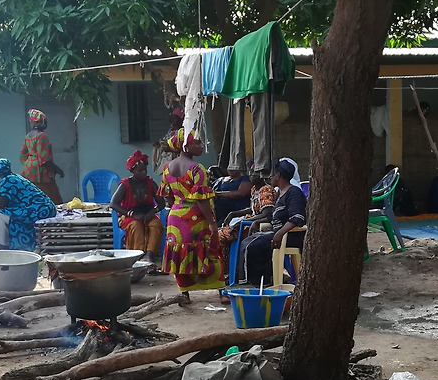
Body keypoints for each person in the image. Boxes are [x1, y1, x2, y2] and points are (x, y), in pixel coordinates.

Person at [161, 129, 227, 303]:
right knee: (211, 250)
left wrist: (179, 205)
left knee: (180, 254)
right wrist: (212, 223)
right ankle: (222, 292)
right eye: (197, 142)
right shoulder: (198, 169)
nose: (201, 146)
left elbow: (168, 196)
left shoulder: (167, 169)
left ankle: (184, 294)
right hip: (196, 218)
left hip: (175, 218)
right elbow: (201, 200)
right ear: (185, 146)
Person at [238, 159, 307, 286]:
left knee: (253, 246)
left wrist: (280, 233)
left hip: (291, 236)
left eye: (272, 174)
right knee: (247, 241)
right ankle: (259, 280)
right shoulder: (280, 192)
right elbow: (273, 217)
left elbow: (297, 217)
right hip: (278, 232)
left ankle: (260, 282)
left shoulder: (293, 192)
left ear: (278, 176)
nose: (270, 177)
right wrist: (257, 222)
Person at [0, 159, 57, 250]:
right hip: (47, 208)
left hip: (38, 210)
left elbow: (1, 205)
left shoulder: (7, 180)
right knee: (5, 215)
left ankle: (2, 248)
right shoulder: (16, 177)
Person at [112, 150, 164, 257]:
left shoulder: (150, 183)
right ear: (132, 171)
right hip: (129, 216)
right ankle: (138, 255)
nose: (144, 173)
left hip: (148, 214)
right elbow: (113, 203)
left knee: (156, 225)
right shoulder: (125, 184)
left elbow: (161, 203)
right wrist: (131, 214)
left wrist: (153, 211)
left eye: (145, 170)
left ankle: (149, 255)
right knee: (136, 226)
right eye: (140, 171)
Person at [20, 109, 64, 204]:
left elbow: (22, 155)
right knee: (53, 199)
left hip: (28, 172)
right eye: (45, 121)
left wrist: (30, 164)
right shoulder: (41, 136)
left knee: (33, 198)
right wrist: (58, 170)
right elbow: (45, 160)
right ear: (41, 122)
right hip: (40, 173)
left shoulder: (28, 136)